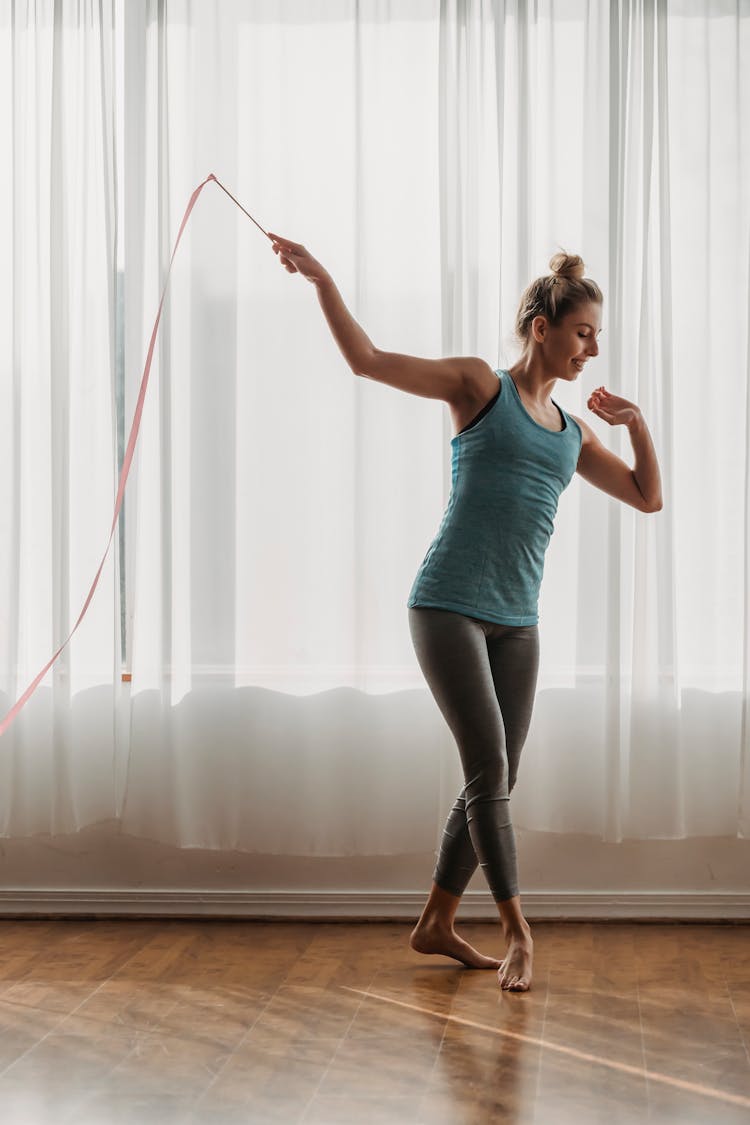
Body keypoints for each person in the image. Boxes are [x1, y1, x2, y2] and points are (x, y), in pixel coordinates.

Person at [268, 230, 663, 992]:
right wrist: (321, 277)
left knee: (497, 775)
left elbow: (648, 497)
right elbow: (368, 360)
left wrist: (637, 424)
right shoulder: (479, 387)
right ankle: (519, 931)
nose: (591, 349)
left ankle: (437, 921)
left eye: (598, 337)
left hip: (519, 622)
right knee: (488, 769)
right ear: (543, 329)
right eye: (583, 333)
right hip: (447, 602)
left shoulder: (571, 434)